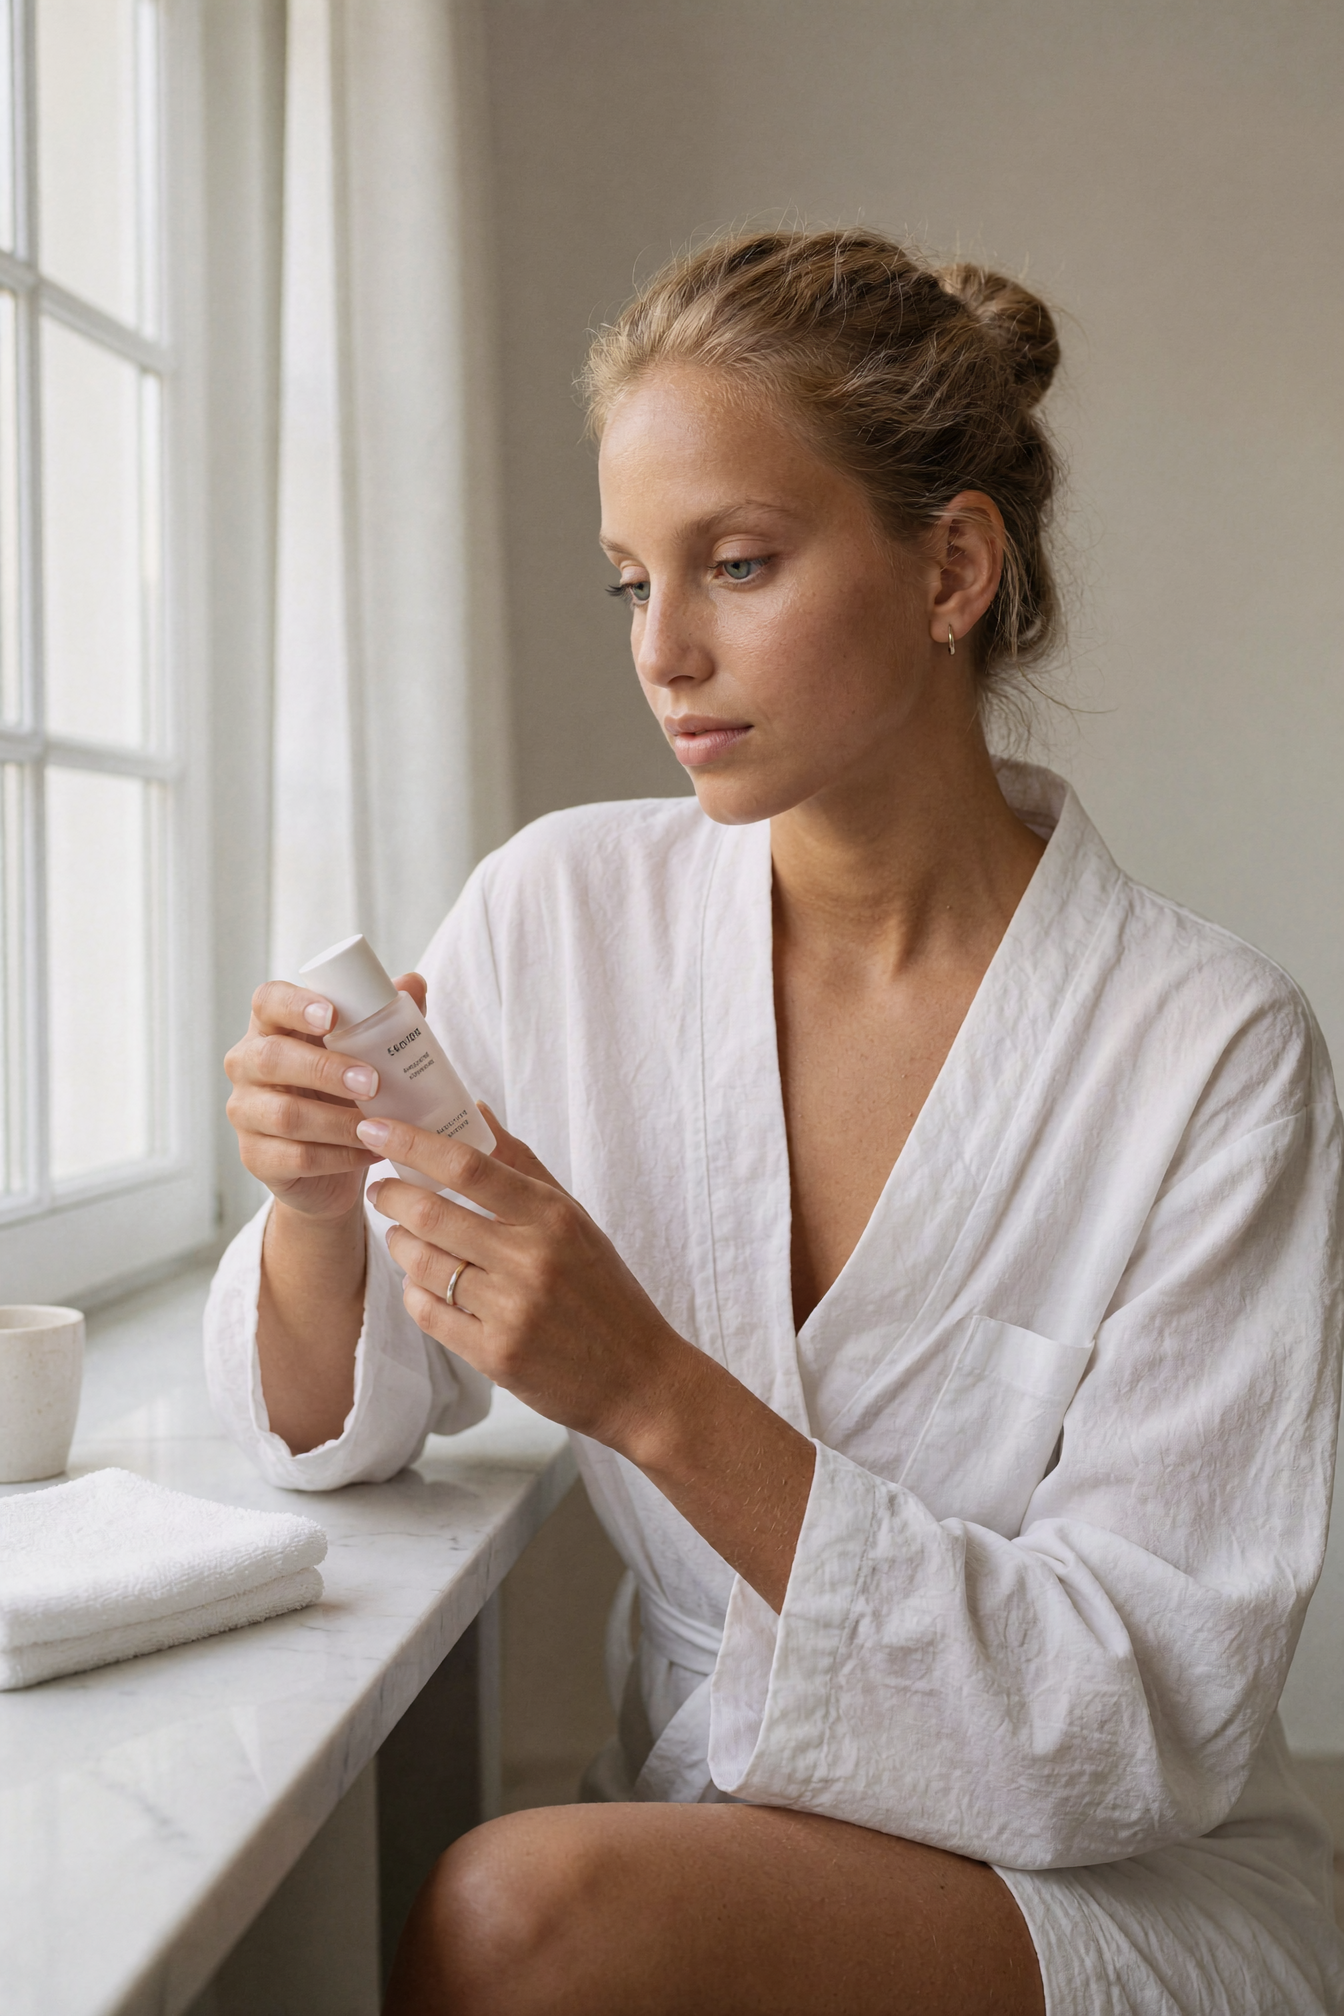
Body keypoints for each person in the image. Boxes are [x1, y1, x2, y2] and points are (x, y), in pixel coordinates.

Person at [207, 229, 1344, 2016]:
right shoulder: (559, 917)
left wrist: (649, 1390)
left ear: (952, 566)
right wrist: (314, 1205)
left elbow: (1145, 1726)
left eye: (735, 565)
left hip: (1096, 1885)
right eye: (628, 582)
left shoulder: (1212, 1052)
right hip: (716, 1829)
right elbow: (337, 1417)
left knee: (513, 1920)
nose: (663, 653)